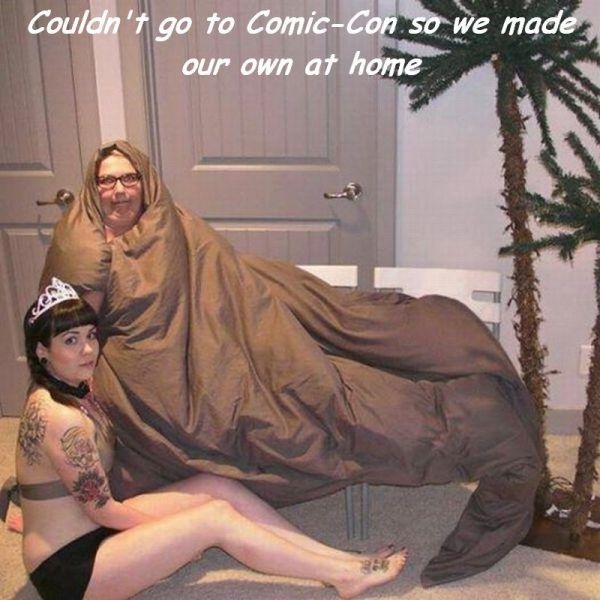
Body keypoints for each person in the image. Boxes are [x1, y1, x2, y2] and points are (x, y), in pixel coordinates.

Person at [40, 140, 542, 587]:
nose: (119, 190)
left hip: (243, 329)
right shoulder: (83, 251)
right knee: (304, 416)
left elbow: (217, 274)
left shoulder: (173, 223)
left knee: (349, 362)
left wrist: (247, 309)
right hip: (168, 375)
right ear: (93, 189)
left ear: (146, 182)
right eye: (107, 181)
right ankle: (340, 562)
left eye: (129, 177)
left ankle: (339, 559)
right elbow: (70, 339)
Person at [17, 277, 407, 600]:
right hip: (72, 569)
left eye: (90, 336)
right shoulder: (59, 417)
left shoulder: (73, 388)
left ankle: (338, 559)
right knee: (212, 520)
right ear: (42, 351)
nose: (87, 349)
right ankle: (341, 576)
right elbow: (102, 511)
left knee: (217, 486)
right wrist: (176, 531)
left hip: (91, 529)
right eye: (70, 341)